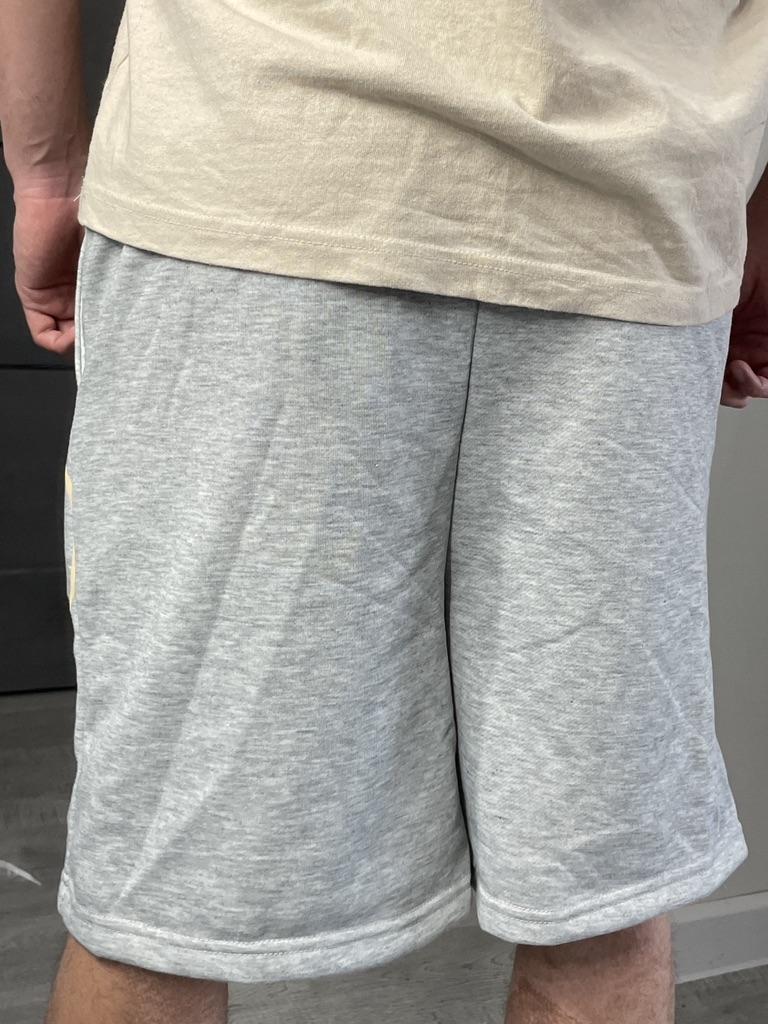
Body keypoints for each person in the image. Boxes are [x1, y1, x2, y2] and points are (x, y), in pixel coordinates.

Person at [2, 1, 767, 1022]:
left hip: (264, 159)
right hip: (637, 200)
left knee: (159, 892)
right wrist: (753, 223)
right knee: (599, 887)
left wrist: (49, 173)